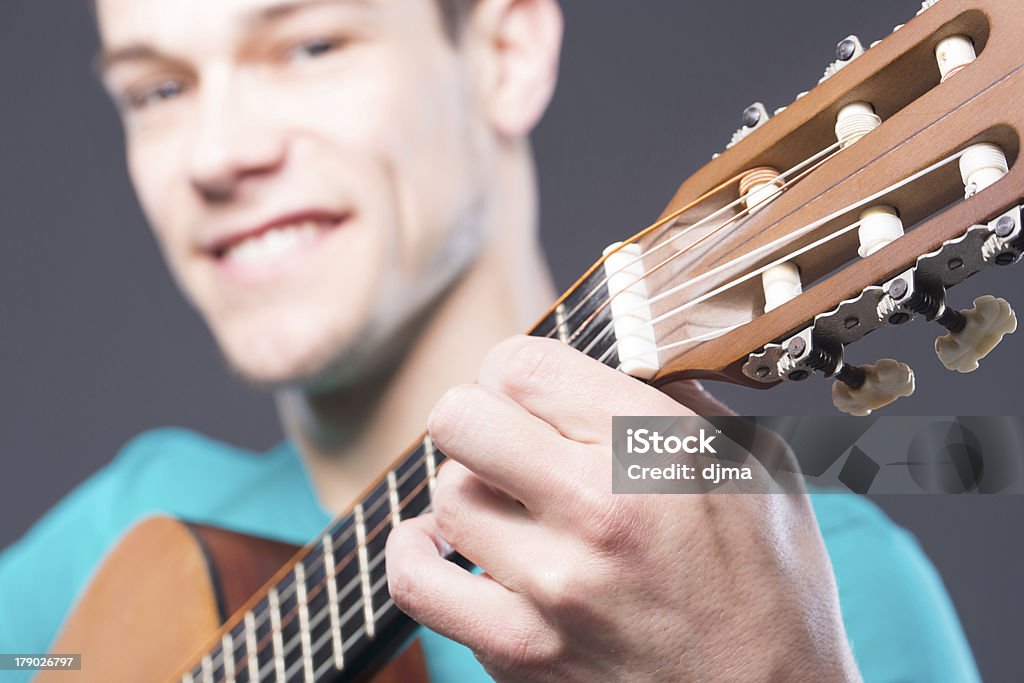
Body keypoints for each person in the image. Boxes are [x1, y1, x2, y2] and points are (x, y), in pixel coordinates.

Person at [0, 0, 980, 681]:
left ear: (503, 56)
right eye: (156, 91)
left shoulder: (810, 600)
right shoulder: (107, 544)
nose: (214, 156)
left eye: (309, 45)